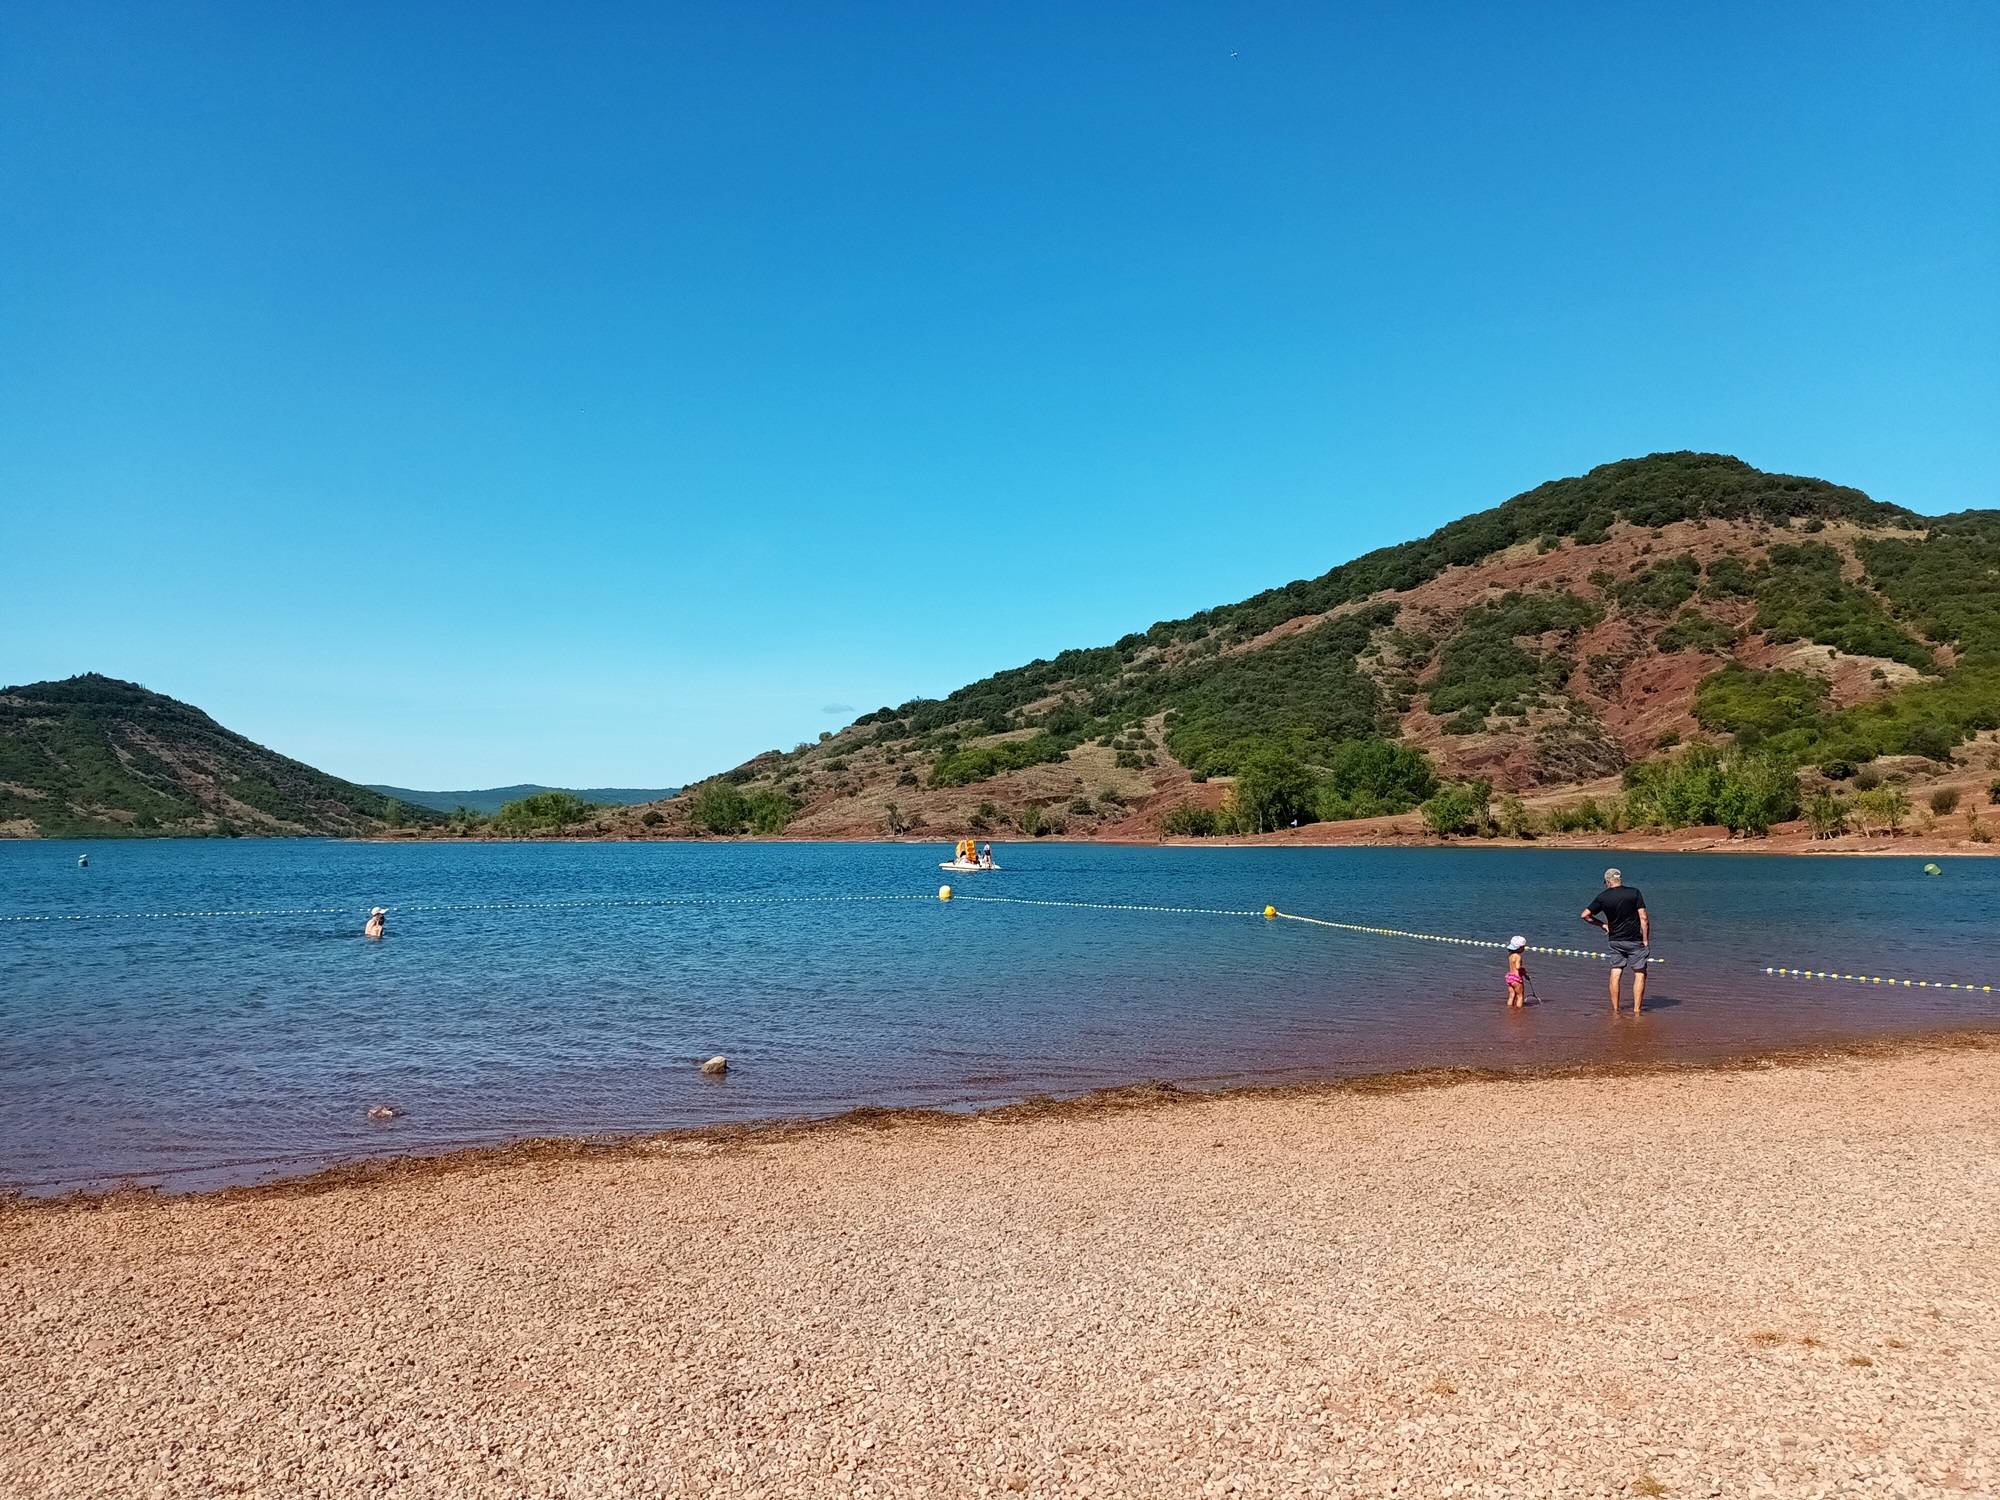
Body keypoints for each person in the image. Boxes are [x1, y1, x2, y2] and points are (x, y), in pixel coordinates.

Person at [1581, 868, 1649, 1013]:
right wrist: (1645, 940)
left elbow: (1585, 915)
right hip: (1634, 939)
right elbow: (1644, 918)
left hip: (1615, 940)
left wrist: (1602, 925)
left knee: (1616, 971)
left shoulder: (1603, 897)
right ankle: (1637, 1010)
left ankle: (1616, 1009)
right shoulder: (1634, 893)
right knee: (1640, 972)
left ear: (1607, 881)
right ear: (1620, 879)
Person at [1503, 935, 1529, 1009]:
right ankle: (1519, 1011)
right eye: (1523, 947)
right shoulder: (1518, 956)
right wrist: (1523, 969)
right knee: (1520, 996)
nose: (1524, 948)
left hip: (1510, 977)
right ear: (1519, 948)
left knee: (1512, 995)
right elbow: (1517, 967)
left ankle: (1509, 1008)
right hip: (1516, 979)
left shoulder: (1510, 955)